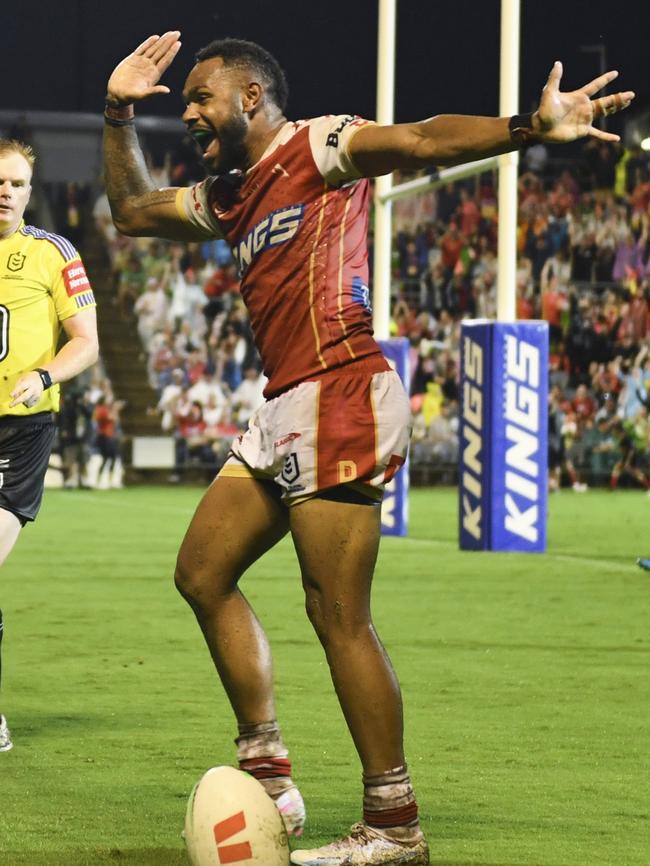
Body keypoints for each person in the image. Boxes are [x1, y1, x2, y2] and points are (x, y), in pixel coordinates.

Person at [102, 32, 633, 866]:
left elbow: (420, 139)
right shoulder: (234, 193)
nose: (190, 109)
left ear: (250, 97)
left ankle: (394, 825)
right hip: (287, 403)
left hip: (341, 388)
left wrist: (527, 127)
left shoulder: (319, 143)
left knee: (336, 612)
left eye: (202, 95)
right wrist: (116, 111)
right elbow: (134, 212)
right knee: (201, 574)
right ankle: (270, 775)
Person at [0, 138, 99, 752]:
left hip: (19, 430)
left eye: (14, 183)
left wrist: (43, 375)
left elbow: (85, 341)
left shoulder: (52, 253)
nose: (3, 192)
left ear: (30, 193)